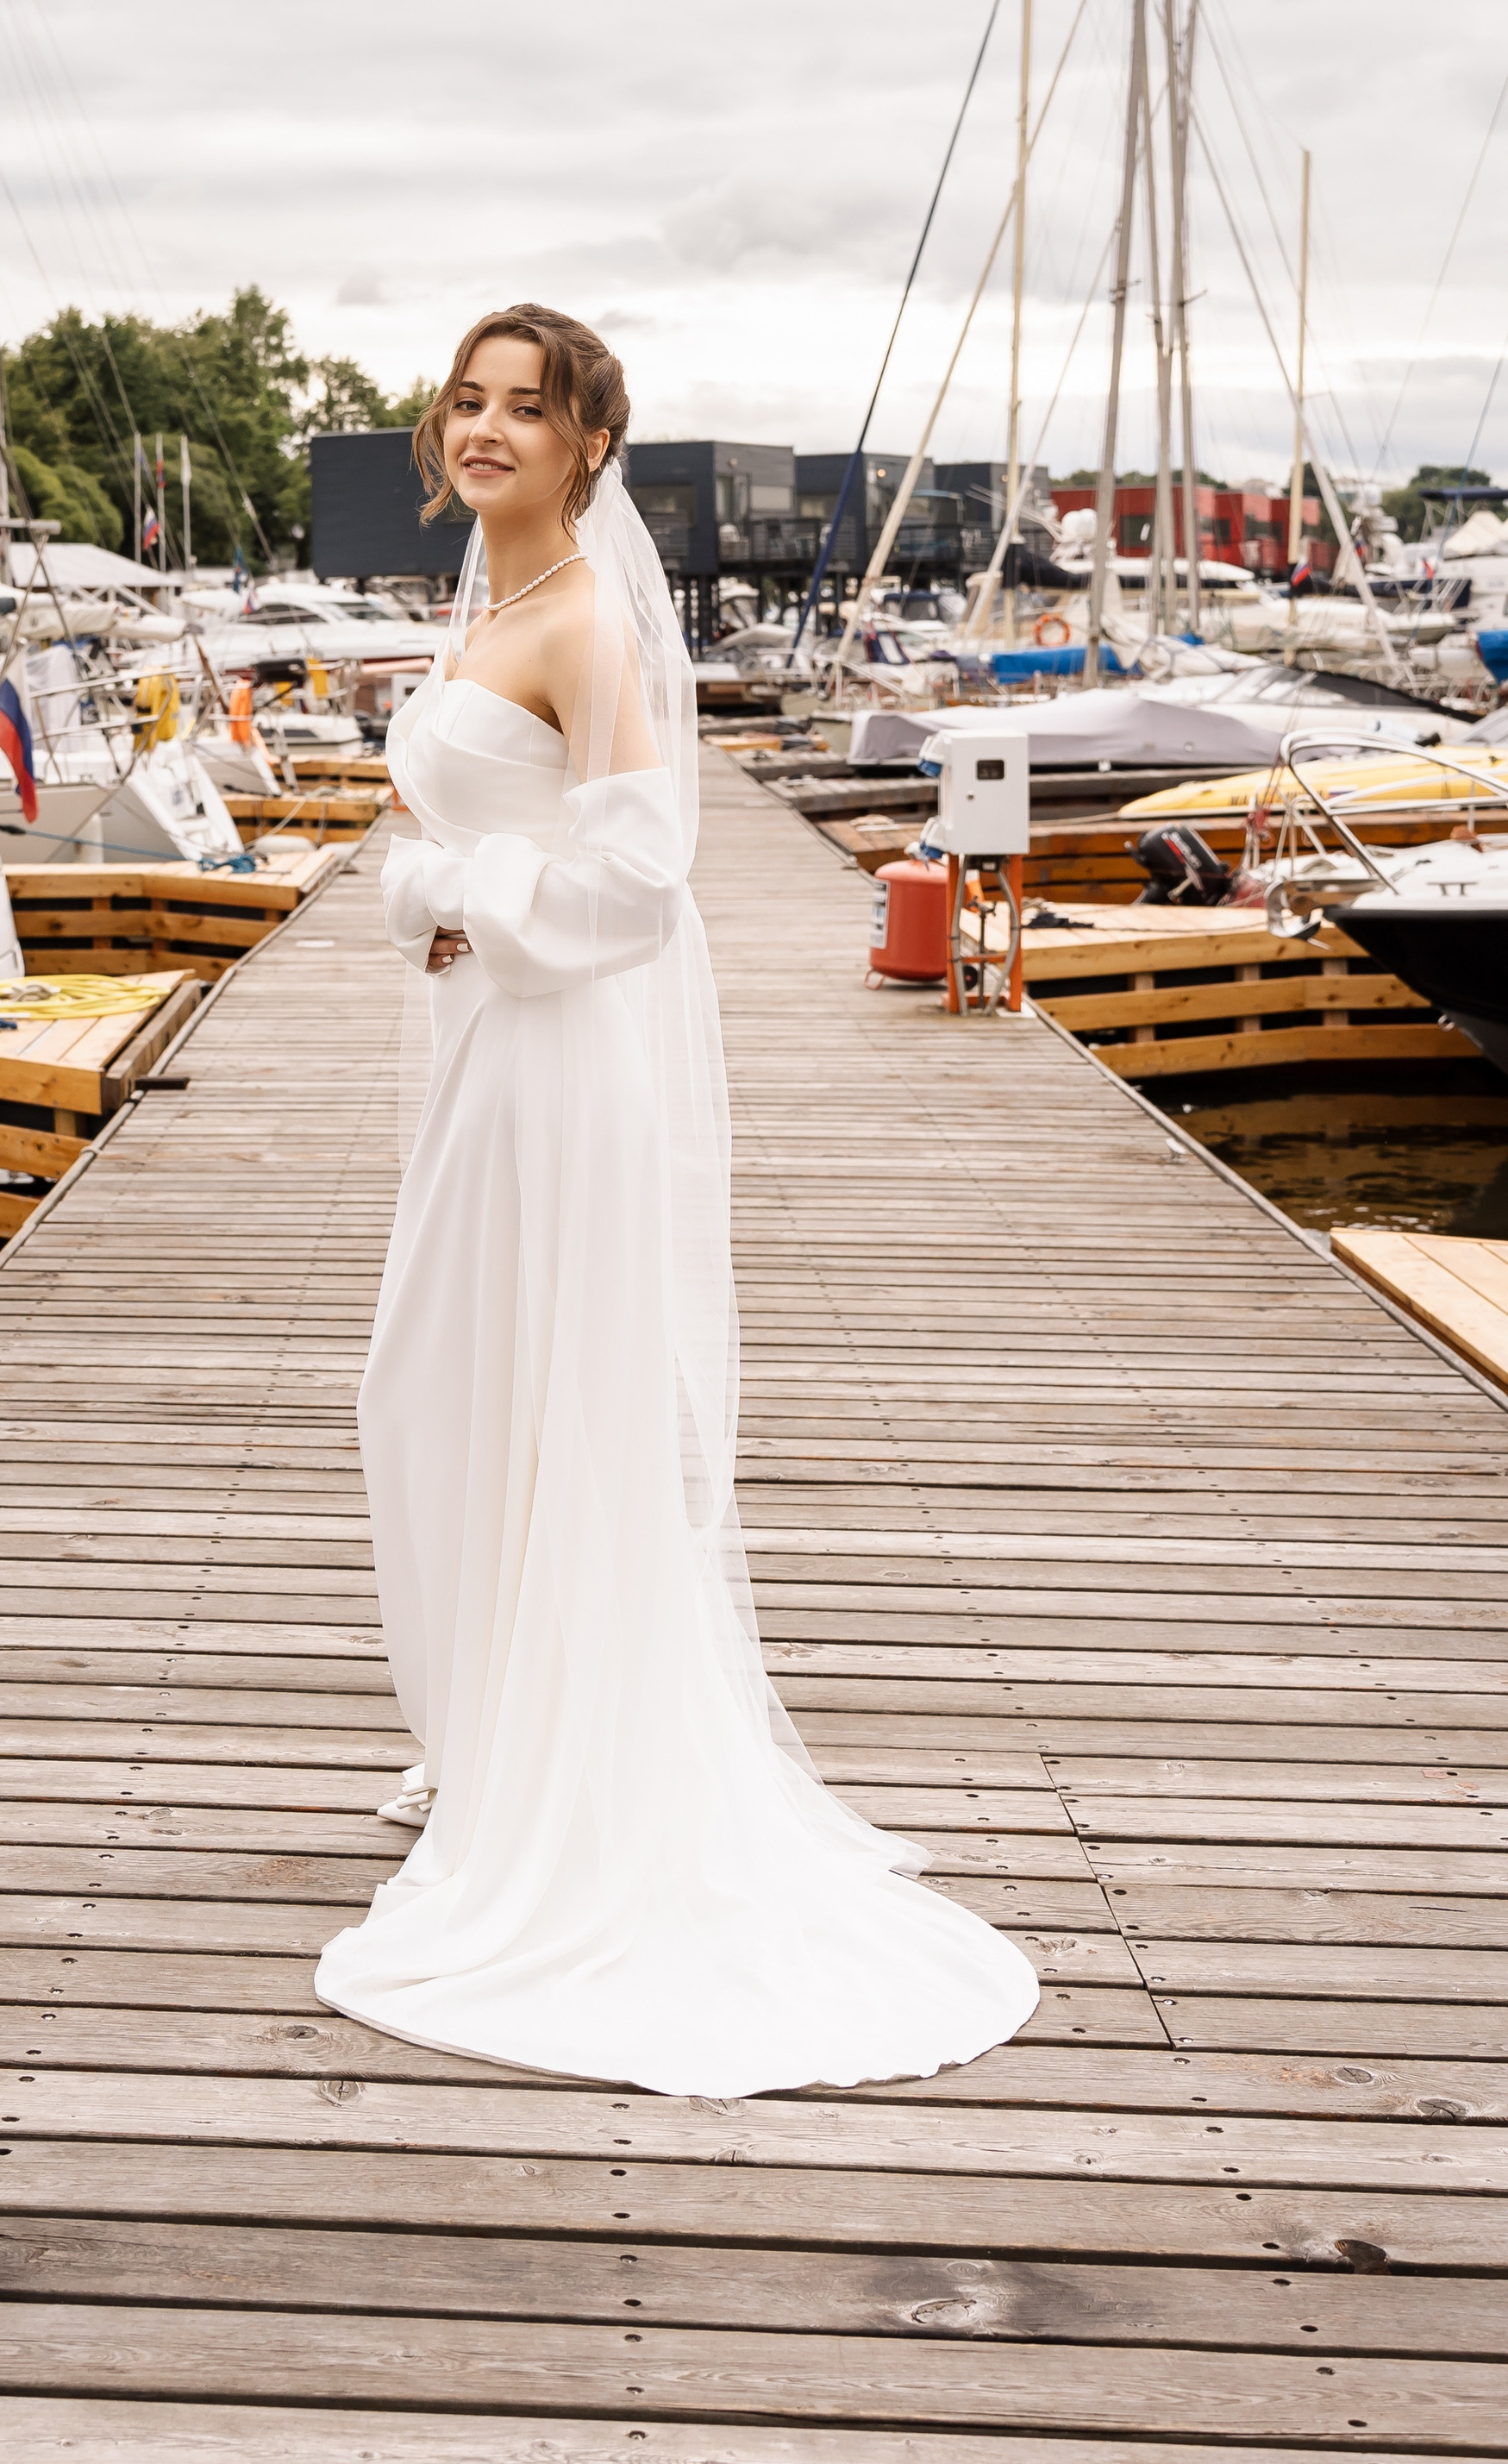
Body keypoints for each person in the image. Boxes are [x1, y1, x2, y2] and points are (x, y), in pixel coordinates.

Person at [313, 304, 1041, 2097]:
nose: (485, 429)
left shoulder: (575, 620)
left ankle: (570, 1768)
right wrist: (456, 899)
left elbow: (641, 877)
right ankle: (503, 1735)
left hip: (565, 1067)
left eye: (526, 408)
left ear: (584, 447)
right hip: (497, 1045)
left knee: (527, 1388)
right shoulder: (477, 602)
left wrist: (432, 879)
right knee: (449, 1383)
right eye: (465, 401)